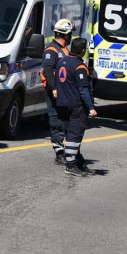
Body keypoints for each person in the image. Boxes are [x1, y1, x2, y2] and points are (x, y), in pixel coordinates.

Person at [55, 37, 97, 177]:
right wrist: (91, 107)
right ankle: (71, 166)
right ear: (83, 51)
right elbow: (83, 89)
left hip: (62, 104)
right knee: (75, 135)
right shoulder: (80, 66)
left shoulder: (61, 62)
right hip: (75, 106)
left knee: (71, 134)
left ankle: (79, 162)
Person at [42, 18, 74, 164]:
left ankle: (67, 149)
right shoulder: (52, 50)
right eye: (70, 34)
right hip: (55, 91)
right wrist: (53, 88)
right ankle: (59, 152)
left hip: (65, 90)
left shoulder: (65, 49)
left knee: (65, 119)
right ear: (66, 35)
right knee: (56, 120)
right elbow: (48, 70)